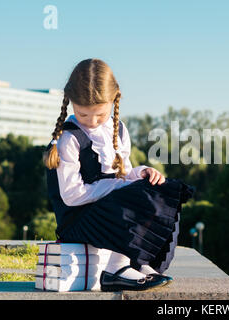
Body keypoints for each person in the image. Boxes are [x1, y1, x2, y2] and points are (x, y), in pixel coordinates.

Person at [43, 58, 195, 291]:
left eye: (100, 115)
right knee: (131, 196)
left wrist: (141, 173)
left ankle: (140, 261)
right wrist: (119, 187)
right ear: (71, 103)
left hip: (105, 210)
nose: (92, 122)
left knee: (162, 189)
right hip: (78, 219)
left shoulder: (118, 130)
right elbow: (72, 196)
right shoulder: (69, 139)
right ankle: (116, 270)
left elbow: (122, 174)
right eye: (83, 115)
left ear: (114, 101)